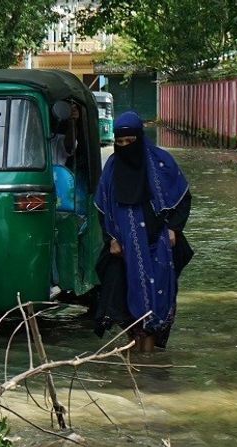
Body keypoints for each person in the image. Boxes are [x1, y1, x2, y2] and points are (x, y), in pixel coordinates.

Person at [93, 111, 193, 352]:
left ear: (140, 137)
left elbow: (183, 197)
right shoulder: (112, 169)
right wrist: (111, 239)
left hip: (158, 246)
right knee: (122, 305)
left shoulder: (161, 163)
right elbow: (101, 206)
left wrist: (173, 229)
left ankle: (148, 366)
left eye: (131, 141)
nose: (126, 147)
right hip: (123, 250)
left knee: (157, 303)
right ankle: (137, 364)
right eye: (120, 142)